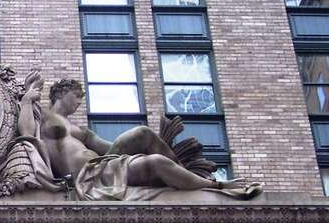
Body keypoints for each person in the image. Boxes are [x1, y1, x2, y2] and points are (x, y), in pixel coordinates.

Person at [17, 71, 258, 201]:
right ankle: (215, 185)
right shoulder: (43, 115)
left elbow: (111, 148)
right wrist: (27, 99)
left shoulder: (81, 131)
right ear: (61, 92)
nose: (80, 102)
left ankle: (191, 177)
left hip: (103, 166)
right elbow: (27, 134)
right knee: (157, 163)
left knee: (143, 133)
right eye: (77, 96)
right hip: (87, 177)